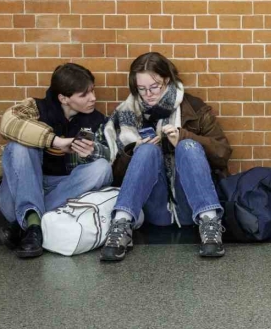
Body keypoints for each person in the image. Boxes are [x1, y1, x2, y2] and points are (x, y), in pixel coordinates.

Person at [99, 52, 233, 261]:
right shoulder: (126, 114)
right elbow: (115, 178)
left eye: (154, 87)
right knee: (146, 150)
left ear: (167, 80)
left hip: (191, 204)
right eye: (141, 89)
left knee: (188, 145)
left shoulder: (194, 108)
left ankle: (210, 224)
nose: (148, 94)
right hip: (155, 208)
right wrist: (131, 152)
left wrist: (183, 136)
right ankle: (121, 226)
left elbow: (222, 154)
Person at [0, 63, 113, 258]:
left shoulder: (96, 120)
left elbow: (111, 157)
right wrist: (55, 141)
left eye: (92, 91)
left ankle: (26, 225)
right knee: (18, 146)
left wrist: (93, 152)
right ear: (64, 98)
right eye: (84, 94)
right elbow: (8, 123)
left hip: (63, 192)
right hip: (18, 193)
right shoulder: (36, 108)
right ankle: (32, 220)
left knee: (102, 168)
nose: (93, 98)